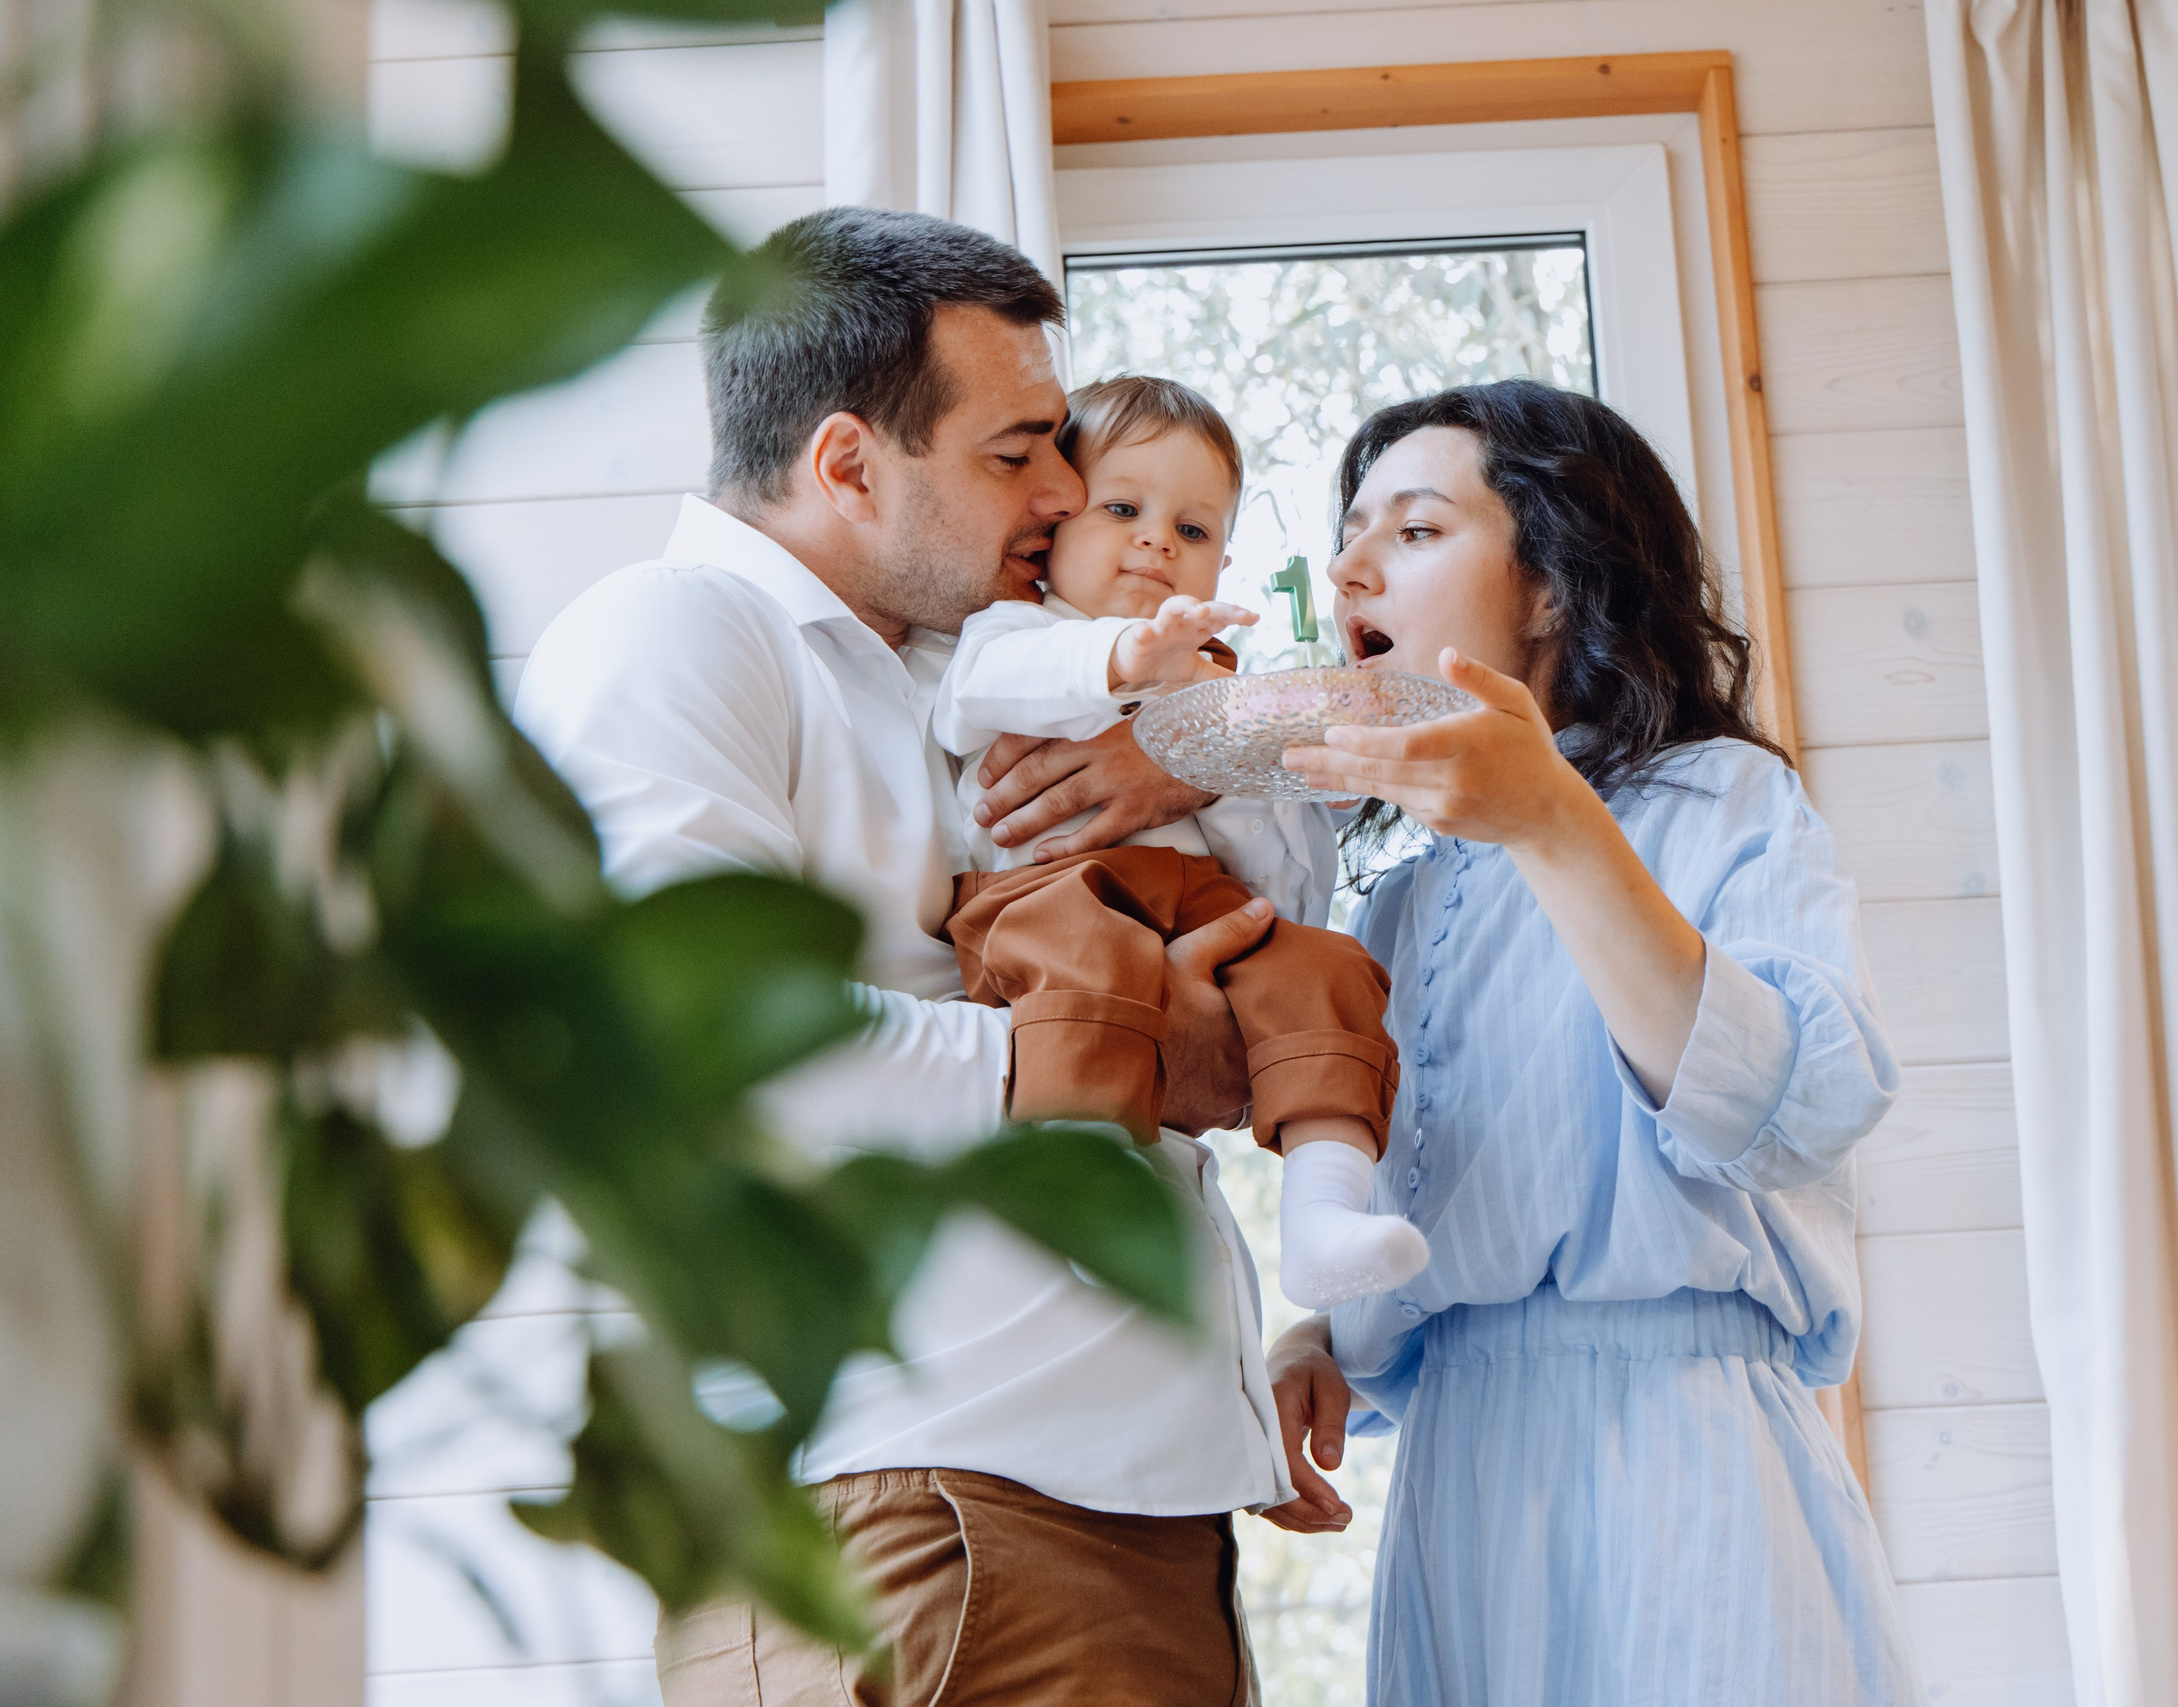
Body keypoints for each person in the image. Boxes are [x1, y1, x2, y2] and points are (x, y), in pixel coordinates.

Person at [513, 207, 1305, 1707]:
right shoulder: (674, 636)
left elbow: (1322, 806)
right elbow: (711, 1040)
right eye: (1017, 455)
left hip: (1121, 1504)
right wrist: (1127, 1046)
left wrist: (1190, 758)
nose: (1069, 490)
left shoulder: (965, 672)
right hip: (918, 1514)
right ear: (847, 464)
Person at [1268, 379, 1926, 1705]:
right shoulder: (1400, 901)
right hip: (1459, 1483)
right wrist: (1323, 1342)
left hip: (1683, 1460)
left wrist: (1553, 819)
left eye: (1414, 527)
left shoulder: (1726, 801)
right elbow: (1461, 1214)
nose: (1350, 564)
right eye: (1351, 532)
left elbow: (1798, 1101)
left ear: (1554, 586)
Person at [934, 373, 1427, 1309]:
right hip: (1051, 899)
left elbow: (1276, 861)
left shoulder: (1221, 685)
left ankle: (1322, 1218)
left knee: (1331, 970)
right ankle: (1077, 1196)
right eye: (1122, 508)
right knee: (1092, 975)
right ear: (1053, 529)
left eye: (1193, 531)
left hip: (1195, 901)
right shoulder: (1015, 632)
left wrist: (1226, 753)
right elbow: (983, 696)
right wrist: (1125, 663)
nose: (1158, 539)